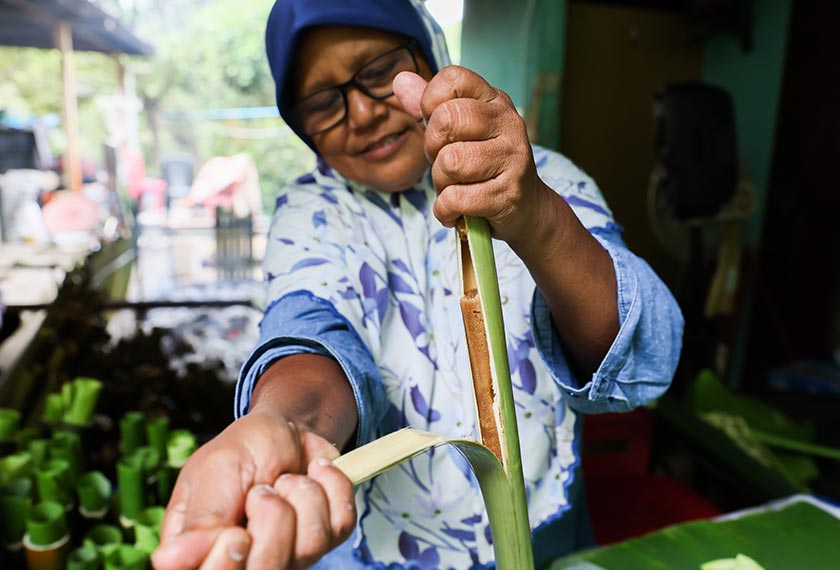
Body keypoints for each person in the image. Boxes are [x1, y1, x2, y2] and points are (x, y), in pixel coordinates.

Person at [152, 0, 684, 568]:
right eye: (321, 102)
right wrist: (281, 424)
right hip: (373, 551)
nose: (360, 113)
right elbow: (313, 331)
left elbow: (646, 358)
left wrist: (539, 220)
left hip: (543, 539)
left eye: (378, 71)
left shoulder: (540, 176)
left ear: (428, 57)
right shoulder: (313, 212)